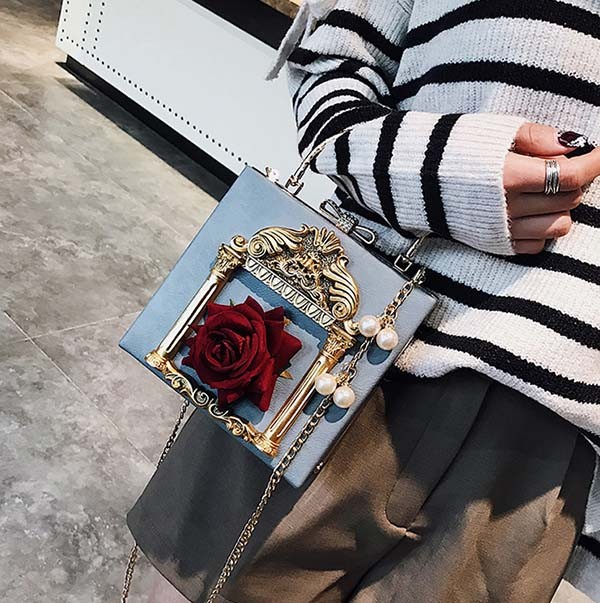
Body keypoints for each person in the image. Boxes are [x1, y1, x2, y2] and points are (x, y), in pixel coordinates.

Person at [134, 1, 600, 601]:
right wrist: (437, 168)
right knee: (192, 585)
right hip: (349, 335)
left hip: (550, 428)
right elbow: (332, 60)